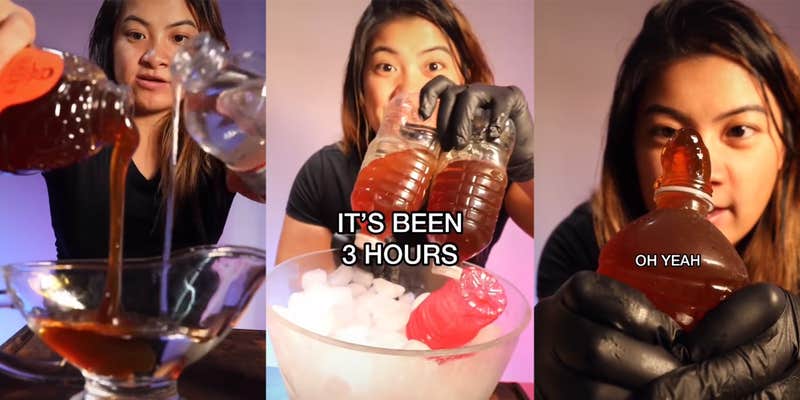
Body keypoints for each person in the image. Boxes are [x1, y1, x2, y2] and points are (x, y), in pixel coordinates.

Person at [536, 0, 800, 398]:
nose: (703, 171)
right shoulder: (580, 248)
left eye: (740, 130)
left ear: (786, 148)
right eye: (666, 132)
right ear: (630, 148)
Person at [275, 0, 534, 267]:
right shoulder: (326, 173)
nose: (411, 88)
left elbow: (561, 239)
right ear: (361, 89)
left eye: (434, 66)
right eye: (386, 67)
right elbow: (295, 296)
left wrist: (527, 165)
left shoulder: (491, 169)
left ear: (466, 79)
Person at [0, 0, 264, 260]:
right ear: (110, 43)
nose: (154, 57)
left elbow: (284, 187)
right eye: (136, 35)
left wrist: (260, 165)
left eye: (180, 38)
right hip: (82, 303)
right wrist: (15, 24)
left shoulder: (223, 132)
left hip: (192, 304)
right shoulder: (71, 119)